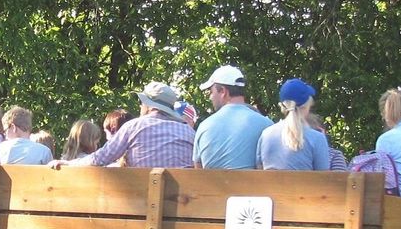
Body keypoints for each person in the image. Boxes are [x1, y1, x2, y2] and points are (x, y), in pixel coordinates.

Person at [52, 82, 193, 169]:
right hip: (184, 209)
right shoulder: (189, 132)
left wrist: (70, 163)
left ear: (149, 106)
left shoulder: (133, 127)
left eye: (142, 103)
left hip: (141, 208)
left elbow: (101, 158)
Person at [193, 64, 272, 169]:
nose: (210, 97)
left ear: (223, 91)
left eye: (211, 92)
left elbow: (198, 169)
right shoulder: (267, 126)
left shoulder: (204, 126)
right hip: (251, 185)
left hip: (214, 185)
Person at [256, 79, 330, 170]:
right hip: (304, 184)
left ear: (282, 106)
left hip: (270, 184)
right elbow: (323, 177)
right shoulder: (317, 138)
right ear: (307, 105)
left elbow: (259, 168)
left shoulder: (266, 135)